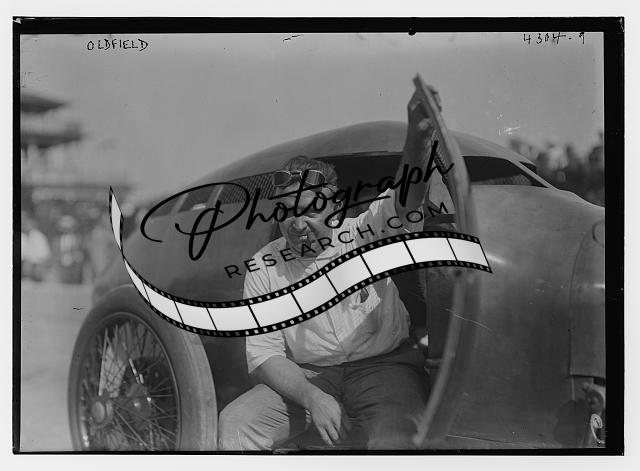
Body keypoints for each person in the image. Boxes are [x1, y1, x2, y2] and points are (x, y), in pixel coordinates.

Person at [217, 91, 438, 451]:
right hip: (309, 376)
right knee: (236, 423)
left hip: (384, 368)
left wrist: (418, 140)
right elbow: (264, 355)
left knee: (397, 435)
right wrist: (312, 397)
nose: (297, 224)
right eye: (287, 212)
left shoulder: (365, 232)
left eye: (310, 210)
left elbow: (406, 198)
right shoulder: (263, 266)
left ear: (335, 207)